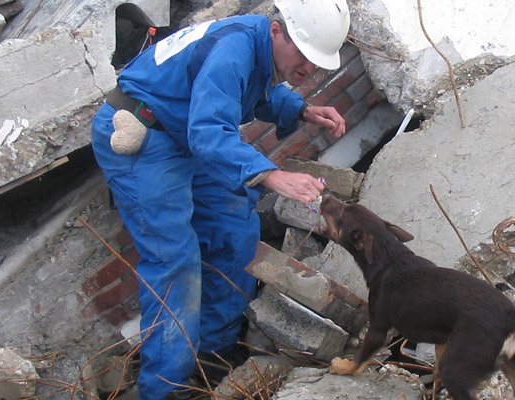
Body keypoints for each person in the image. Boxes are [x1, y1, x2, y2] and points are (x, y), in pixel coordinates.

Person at [90, 0, 350, 398]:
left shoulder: (260, 46)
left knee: (234, 229)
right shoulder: (235, 47)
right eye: (303, 53)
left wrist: (299, 109)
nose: (308, 69)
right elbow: (210, 130)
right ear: (277, 30)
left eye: (316, 62)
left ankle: (215, 356)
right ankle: (167, 388)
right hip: (143, 134)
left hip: (183, 133)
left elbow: (248, 90)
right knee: (174, 259)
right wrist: (271, 175)